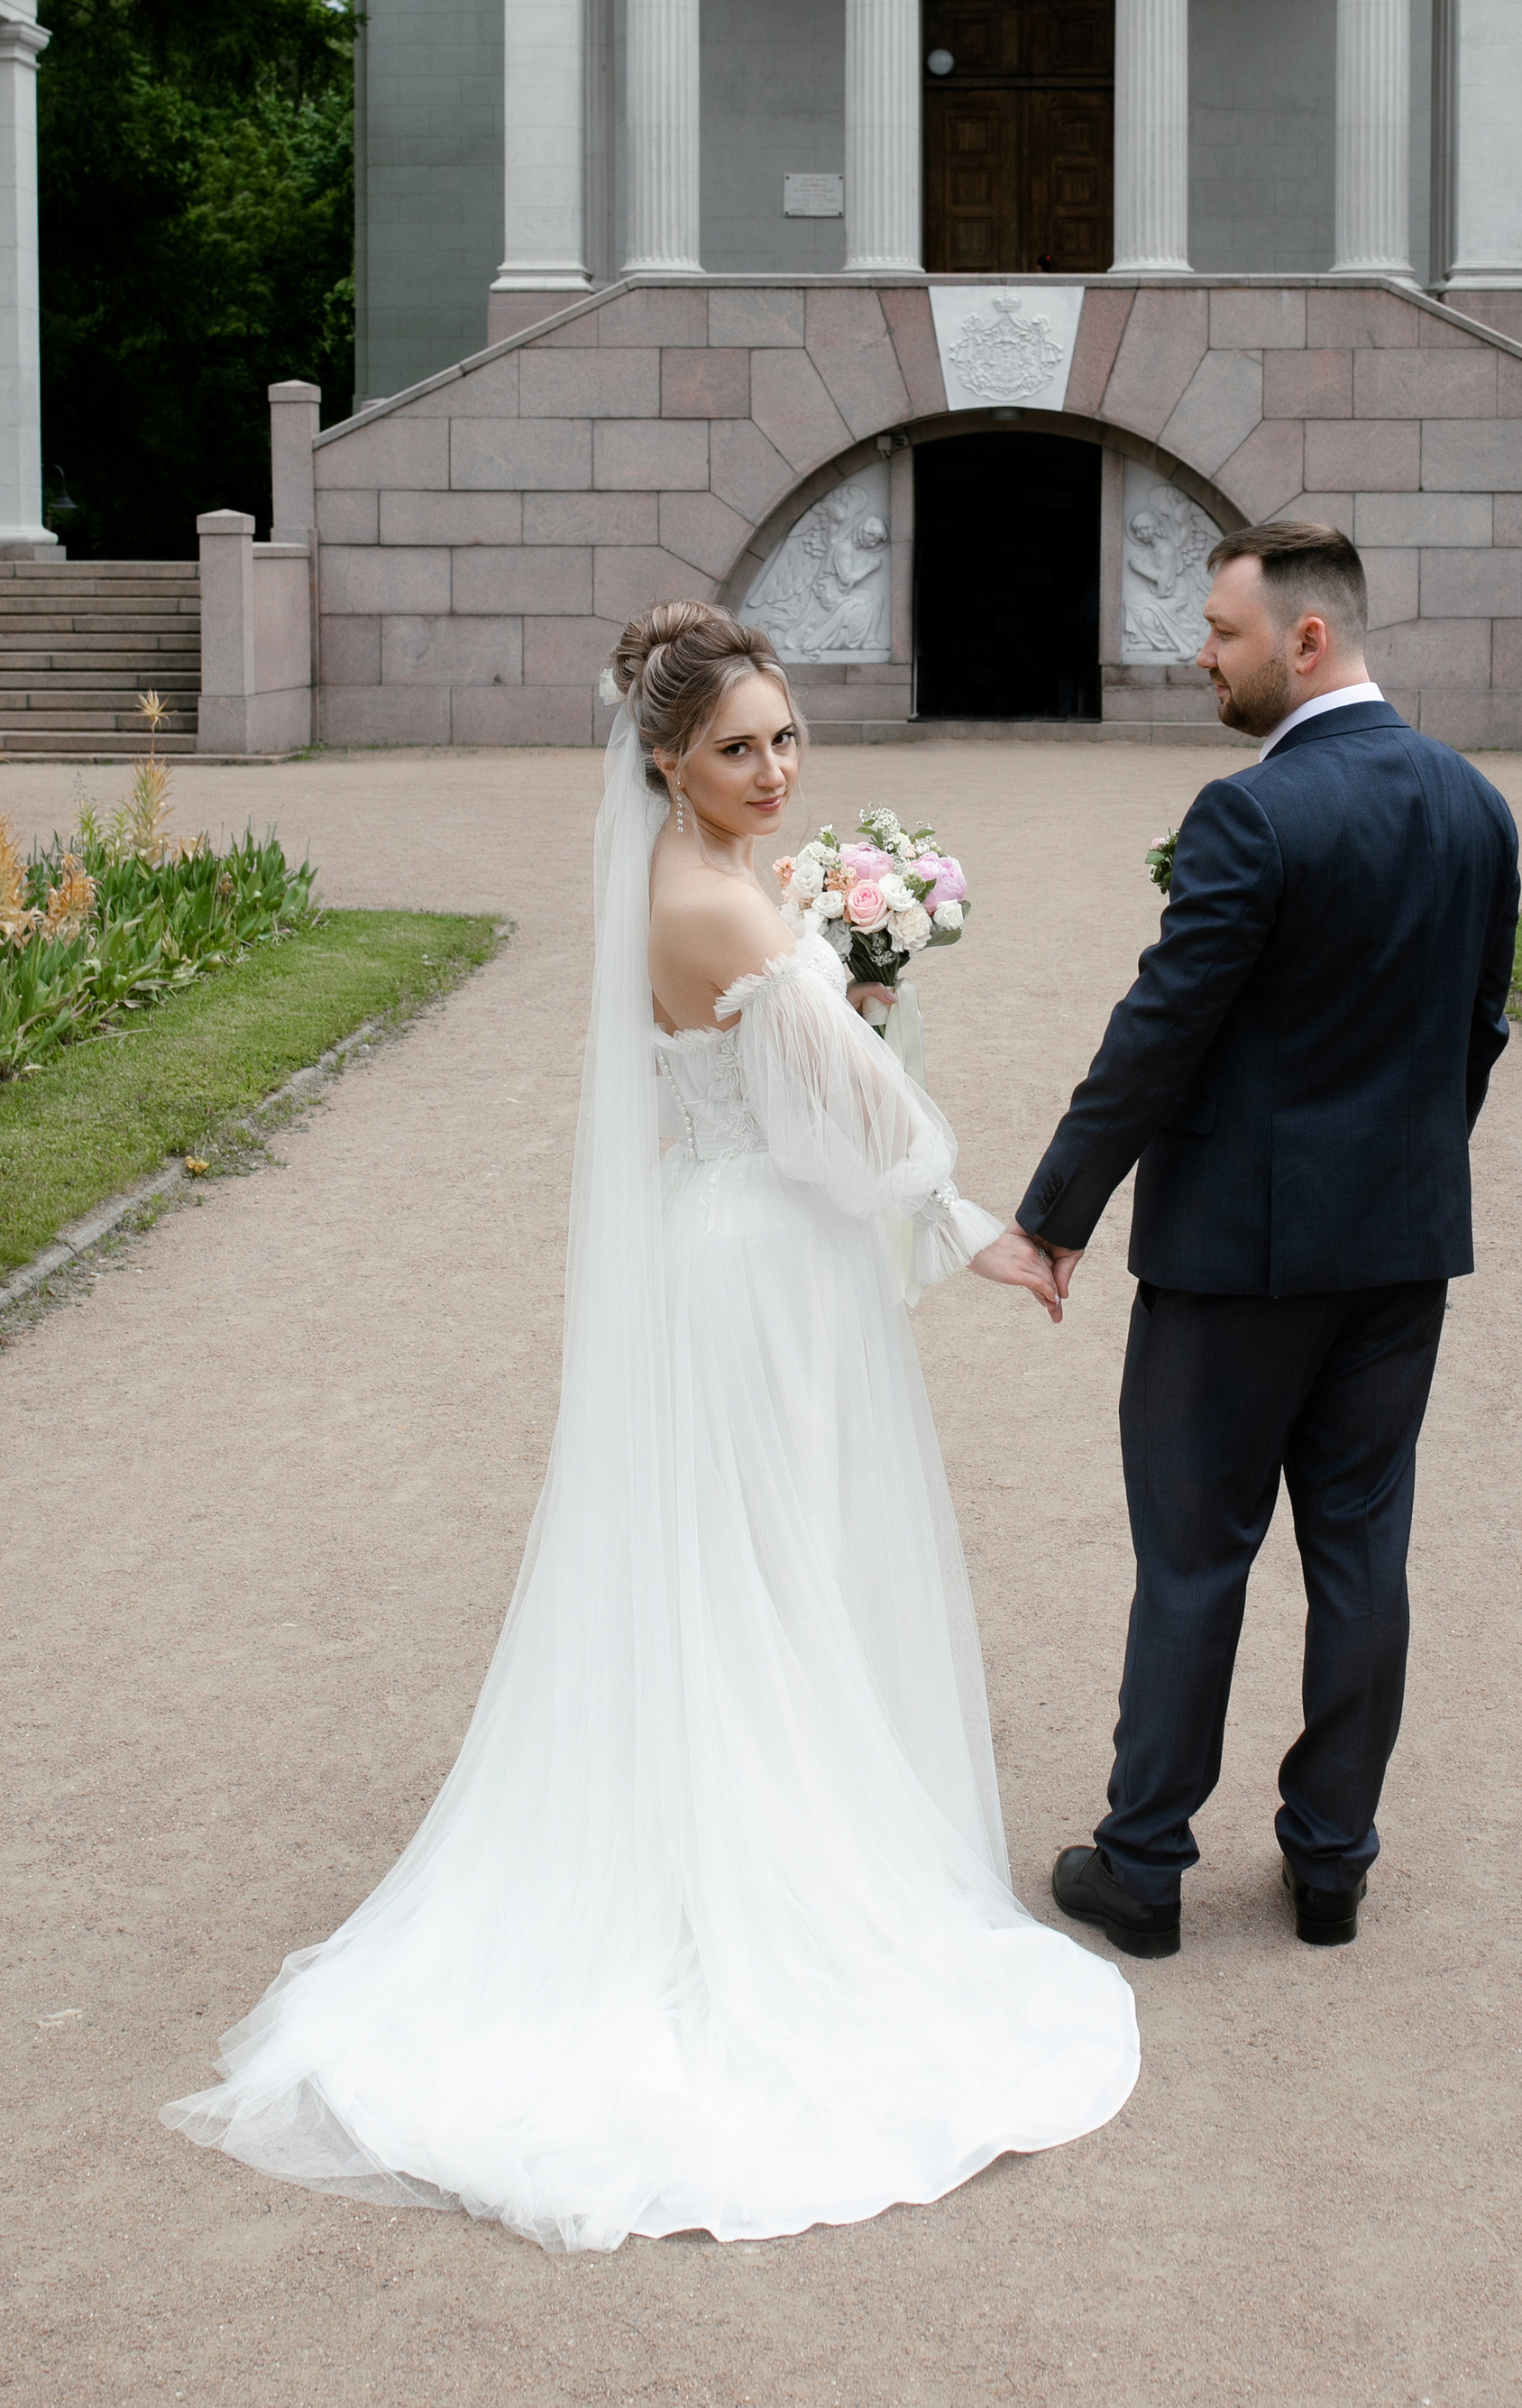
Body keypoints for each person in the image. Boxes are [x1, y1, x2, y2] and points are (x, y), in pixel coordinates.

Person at [164, 600, 1138, 2251]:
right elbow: (865, 1126)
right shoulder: (725, 918)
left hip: (745, 1251)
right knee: (764, 1579)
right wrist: (973, 1218)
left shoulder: (714, 885)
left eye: (785, 738)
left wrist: (858, 991)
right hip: (762, 1271)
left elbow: (811, 1100)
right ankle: (771, 1882)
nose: (775, 770)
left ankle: (740, 1825)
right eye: (738, 749)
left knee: (752, 1569)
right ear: (671, 768)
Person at [1003, 519, 1519, 1962]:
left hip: (1235, 1264)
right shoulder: (1476, 806)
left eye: (1222, 633)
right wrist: (1397, 1174)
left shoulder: (1253, 813)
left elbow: (1159, 1035)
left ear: (1307, 639)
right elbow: (1474, 1035)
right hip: (1401, 1250)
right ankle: (1333, 1865)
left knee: (1193, 1560)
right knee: (1361, 1553)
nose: (1201, 656)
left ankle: (1146, 1866)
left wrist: (1055, 1215)